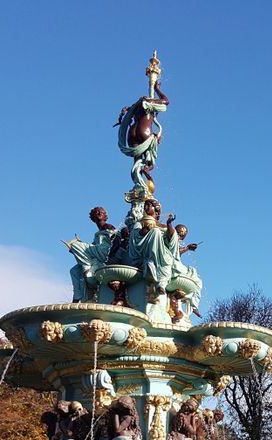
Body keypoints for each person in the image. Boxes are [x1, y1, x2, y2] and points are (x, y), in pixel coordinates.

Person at [116, 52, 169, 188]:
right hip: (143, 132)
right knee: (150, 158)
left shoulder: (135, 106)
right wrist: (157, 89)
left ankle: (138, 185)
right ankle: (148, 169)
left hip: (131, 133)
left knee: (136, 161)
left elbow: (126, 114)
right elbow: (166, 101)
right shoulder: (150, 102)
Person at [66, 207, 117, 303]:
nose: (98, 214)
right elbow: (92, 247)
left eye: (100, 212)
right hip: (97, 251)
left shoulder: (108, 226)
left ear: (105, 216)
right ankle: (77, 295)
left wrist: (111, 256)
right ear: (93, 218)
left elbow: (116, 240)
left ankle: (87, 267)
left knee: (76, 245)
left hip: (105, 251)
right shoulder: (97, 233)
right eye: (96, 213)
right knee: (74, 270)